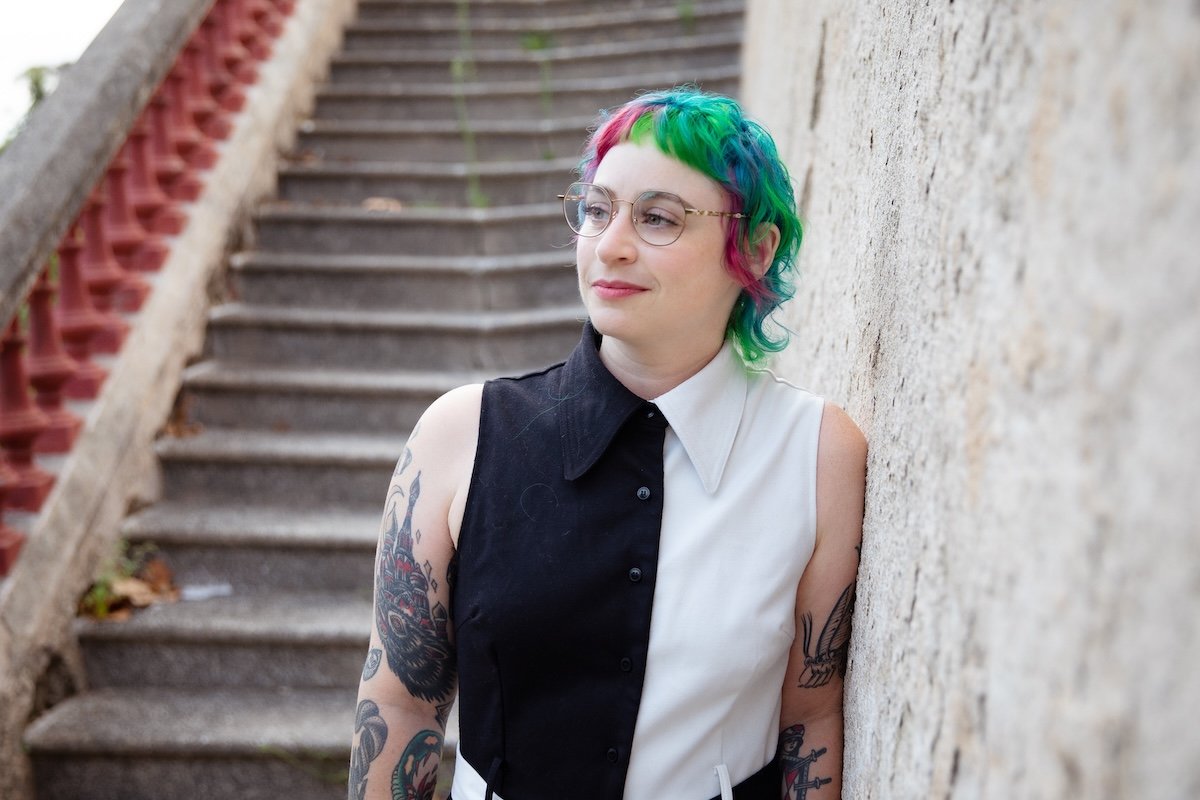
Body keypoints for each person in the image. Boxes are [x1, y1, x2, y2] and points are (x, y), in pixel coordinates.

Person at [349, 87, 866, 800]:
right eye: (597, 209)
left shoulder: (817, 453)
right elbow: (402, 705)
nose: (611, 245)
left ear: (752, 247)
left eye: (657, 218)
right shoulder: (460, 435)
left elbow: (809, 718)